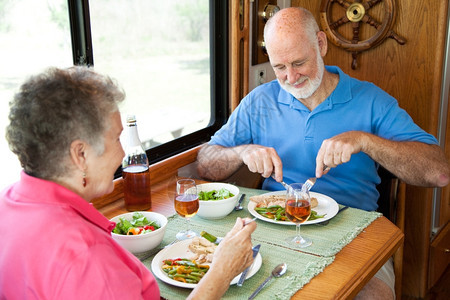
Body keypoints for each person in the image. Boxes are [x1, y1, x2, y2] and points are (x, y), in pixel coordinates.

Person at [196, 7, 450, 300]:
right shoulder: (259, 101)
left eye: (299, 62)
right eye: (279, 67)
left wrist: (365, 141)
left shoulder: (371, 100)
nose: (290, 77)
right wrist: (242, 152)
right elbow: (205, 164)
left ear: (321, 44)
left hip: (354, 238)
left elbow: (439, 173)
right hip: (272, 231)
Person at [0, 66, 257, 300]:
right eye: (116, 139)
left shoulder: (8, 204)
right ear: (80, 155)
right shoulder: (87, 259)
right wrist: (221, 273)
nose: (123, 154)